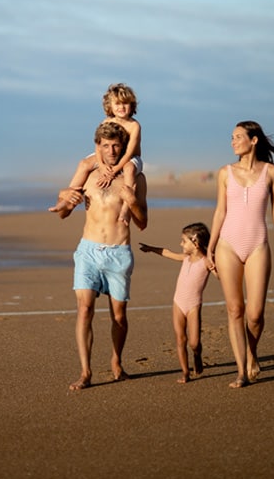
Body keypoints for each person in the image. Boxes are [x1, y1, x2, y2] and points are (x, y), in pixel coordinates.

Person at [51, 121, 148, 391]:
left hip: (119, 252)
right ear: (99, 147)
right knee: (84, 310)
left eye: (117, 145)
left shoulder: (135, 178)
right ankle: (85, 372)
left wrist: (132, 202)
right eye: (106, 145)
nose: (112, 150)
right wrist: (66, 199)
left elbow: (143, 222)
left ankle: (116, 361)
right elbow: (63, 212)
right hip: (88, 251)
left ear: (124, 146)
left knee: (118, 316)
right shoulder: (89, 174)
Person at [207, 120, 274, 388]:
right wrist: (210, 247)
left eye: (238, 137)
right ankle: (242, 371)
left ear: (253, 140)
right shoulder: (224, 172)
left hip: (258, 245)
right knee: (235, 310)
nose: (232, 141)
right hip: (227, 245)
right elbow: (220, 211)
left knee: (255, 314)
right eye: (231, 137)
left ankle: (252, 353)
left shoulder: (272, 172)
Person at [49, 83, 143, 222]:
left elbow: (129, 152)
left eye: (125, 103)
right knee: (84, 163)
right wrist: (102, 165)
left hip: (130, 158)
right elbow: (98, 147)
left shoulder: (133, 125)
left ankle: (125, 207)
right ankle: (66, 200)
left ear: (132, 105)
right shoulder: (106, 121)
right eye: (117, 103)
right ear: (109, 105)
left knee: (128, 168)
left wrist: (115, 170)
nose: (121, 107)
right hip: (108, 156)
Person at [139, 223, 214, 384]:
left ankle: (197, 355)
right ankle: (185, 372)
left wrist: (218, 267)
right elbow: (167, 253)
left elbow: (220, 274)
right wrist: (151, 248)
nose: (181, 244)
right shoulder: (185, 258)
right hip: (178, 303)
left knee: (194, 343)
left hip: (193, 305)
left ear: (195, 242)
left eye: (183, 241)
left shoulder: (206, 262)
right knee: (180, 339)